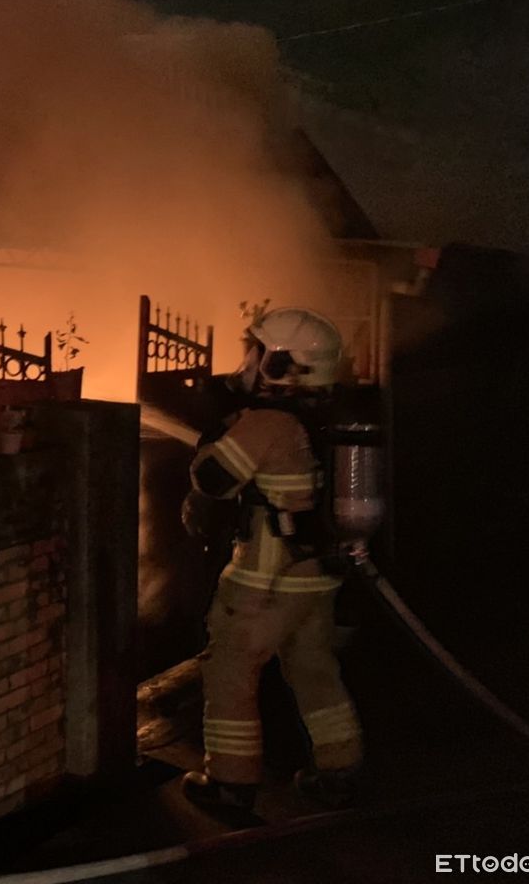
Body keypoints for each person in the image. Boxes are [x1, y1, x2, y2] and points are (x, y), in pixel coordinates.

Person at [181, 306, 363, 820]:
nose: (246, 361)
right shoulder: (322, 419)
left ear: (280, 365)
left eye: (256, 352)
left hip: (265, 582)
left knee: (229, 673)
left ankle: (230, 783)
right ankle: (339, 771)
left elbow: (214, 480)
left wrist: (217, 430)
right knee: (315, 671)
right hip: (316, 578)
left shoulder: (268, 425)